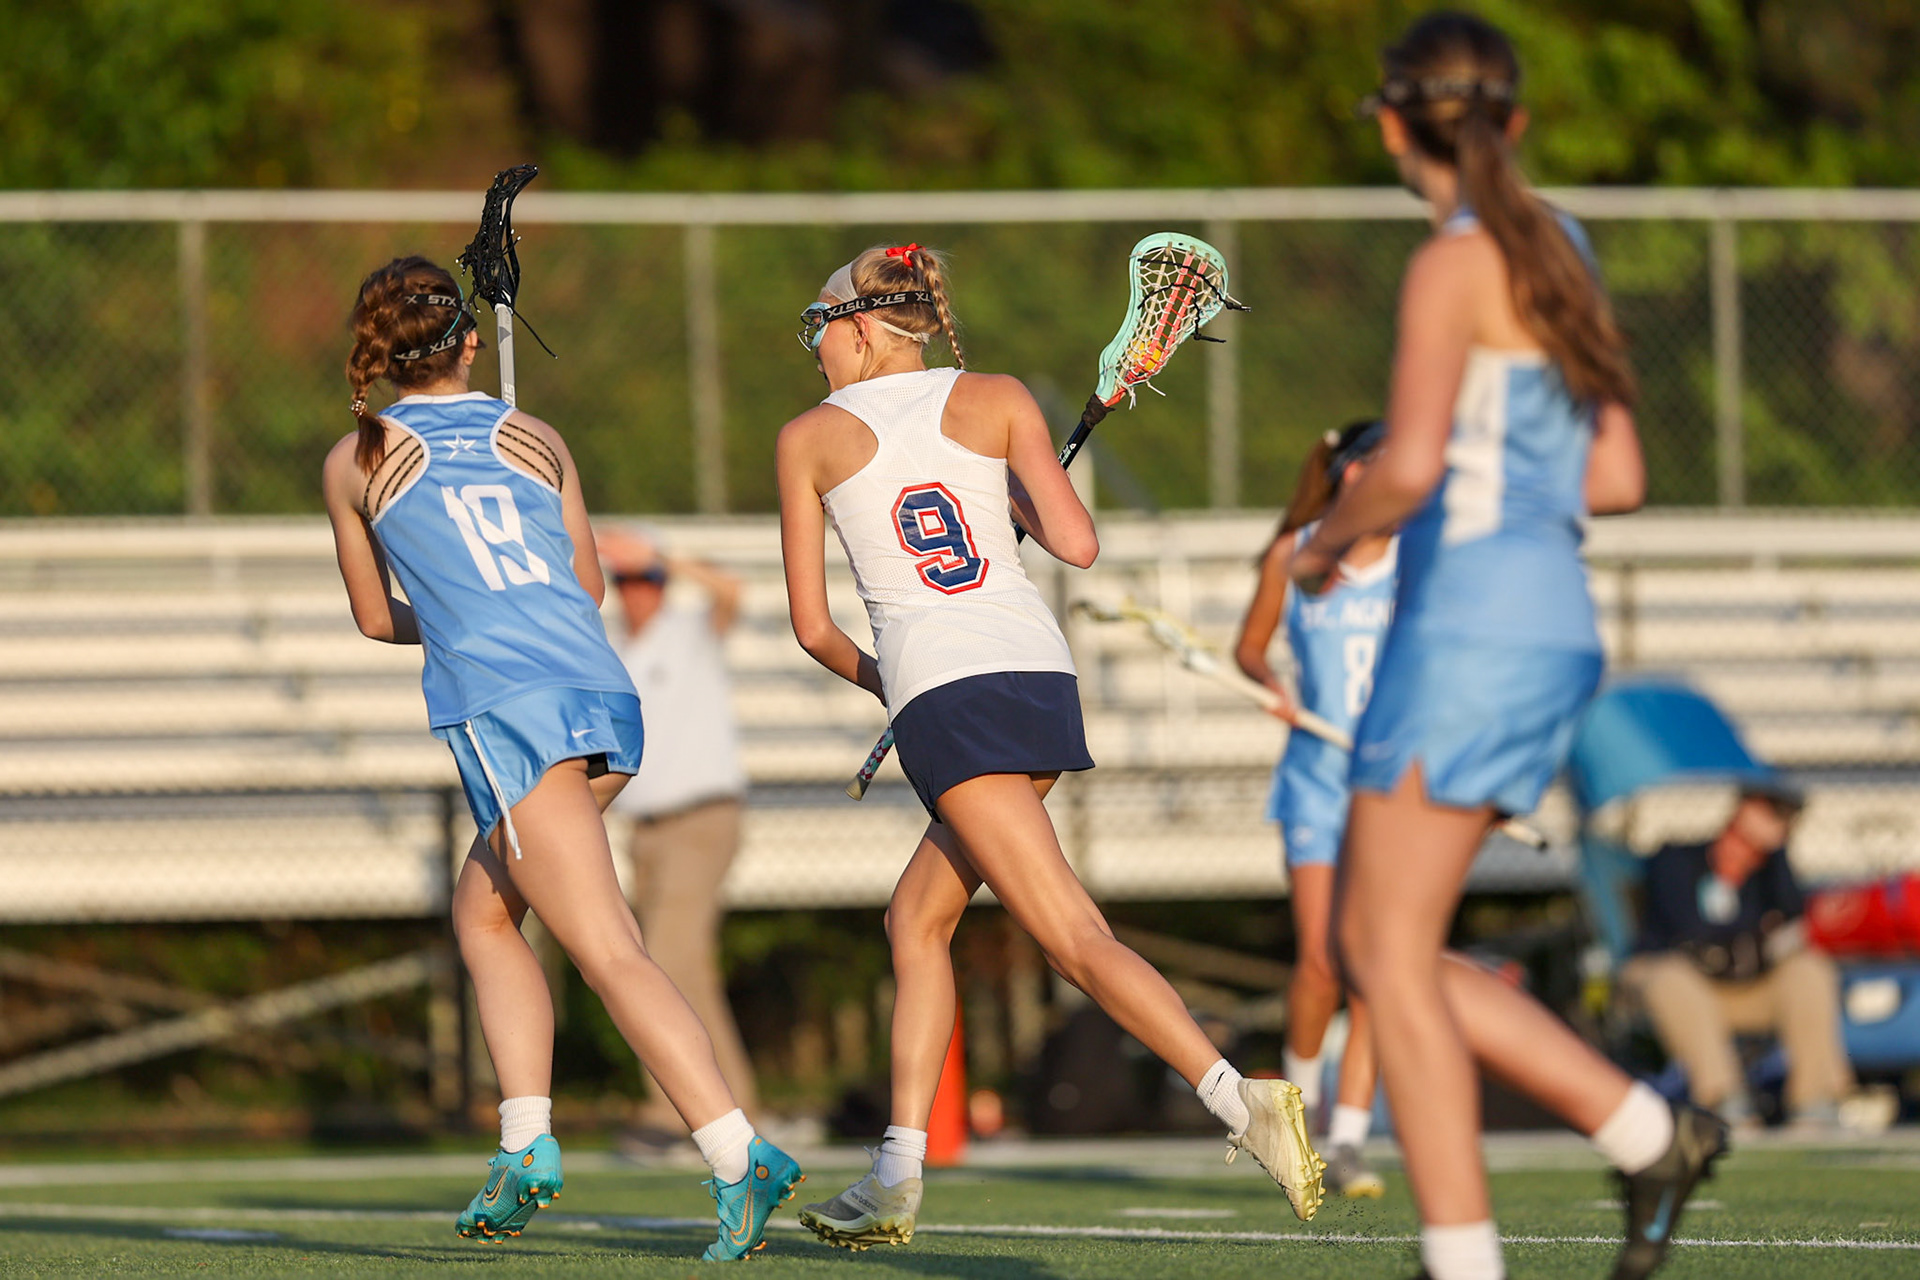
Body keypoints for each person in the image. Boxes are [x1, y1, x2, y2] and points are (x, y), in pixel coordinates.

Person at [776, 243, 1325, 1249]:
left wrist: (892, 685)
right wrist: (1009, 505)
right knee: (916, 919)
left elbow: (813, 629)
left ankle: (1238, 1098)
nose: (815, 353)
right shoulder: (999, 397)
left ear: (858, 325)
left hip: (950, 694)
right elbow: (1074, 543)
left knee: (1073, 935)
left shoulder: (808, 437)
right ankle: (895, 1171)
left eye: (818, 330)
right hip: (1036, 676)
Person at [1289, 15, 1719, 1280]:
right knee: (1392, 950)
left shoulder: (1453, 263)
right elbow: (1622, 473)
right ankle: (1646, 1129)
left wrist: (1321, 543)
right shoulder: (1565, 246)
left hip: (1466, 628)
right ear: (1515, 121)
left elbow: (1410, 465)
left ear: (1389, 123)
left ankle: (1468, 1258)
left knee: (1382, 953)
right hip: (1554, 624)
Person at [322, 256, 800, 1261]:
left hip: (511, 715)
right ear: (464, 344)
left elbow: (374, 617)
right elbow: (584, 581)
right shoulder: (535, 433)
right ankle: (526, 1141)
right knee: (486, 912)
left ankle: (733, 1149)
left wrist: (450, 614)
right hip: (604, 702)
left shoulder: (355, 458)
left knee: (608, 944)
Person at [1235, 419, 1393, 1200]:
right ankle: (1287, 1122)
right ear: (1354, 473)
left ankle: (1352, 1140)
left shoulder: (1418, 560)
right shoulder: (1295, 554)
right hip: (1316, 783)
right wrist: (1275, 689)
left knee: (1374, 970)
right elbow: (1250, 648)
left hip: (1389, 790)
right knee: (1324, 962)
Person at [597, 526, 761, 1139]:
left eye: (648, 581)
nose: (638, 591)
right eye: (629, 581)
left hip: (701, 817)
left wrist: (660, 556)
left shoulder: (689, 633)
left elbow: (730, 589)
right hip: (645, 827)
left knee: (662, 958)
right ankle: (719, 1106)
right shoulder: (612, 647)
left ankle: (690, 1109)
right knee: (675, 965)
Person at [1623, 784, 1855, 1129]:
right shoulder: (1675, 857)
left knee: (1809, 970)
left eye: (1786, 818)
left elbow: (1794, 922)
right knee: (1672, 977)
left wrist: (1776, 856)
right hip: (1682, 989)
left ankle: (1814, 1101)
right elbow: (1691, 930)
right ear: (1743, 806)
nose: (1777, 822)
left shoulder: (1770, 875)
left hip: (1743, 987)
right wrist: (1754, 928)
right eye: (1770, 810)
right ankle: (1723, 1099)